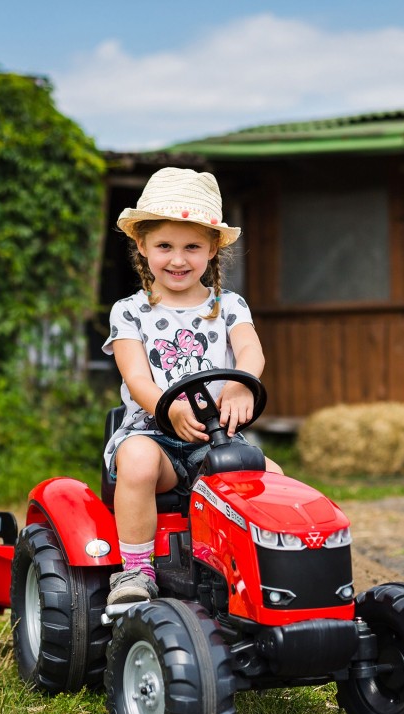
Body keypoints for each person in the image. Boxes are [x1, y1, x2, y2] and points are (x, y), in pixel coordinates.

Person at [102, 167, 281, 605]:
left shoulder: (229, 305)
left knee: (272, 478)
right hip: (152, 435)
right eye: (164, 245)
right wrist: (169, 409)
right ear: (142, 246)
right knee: (139, 460)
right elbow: (137, 377)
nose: (177, 259)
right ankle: (136, 573)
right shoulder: (129, 311)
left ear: (212, 248)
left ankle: (270, 572)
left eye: (191, 247)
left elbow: (250, 351)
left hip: (212, 436)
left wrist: (243, 385)